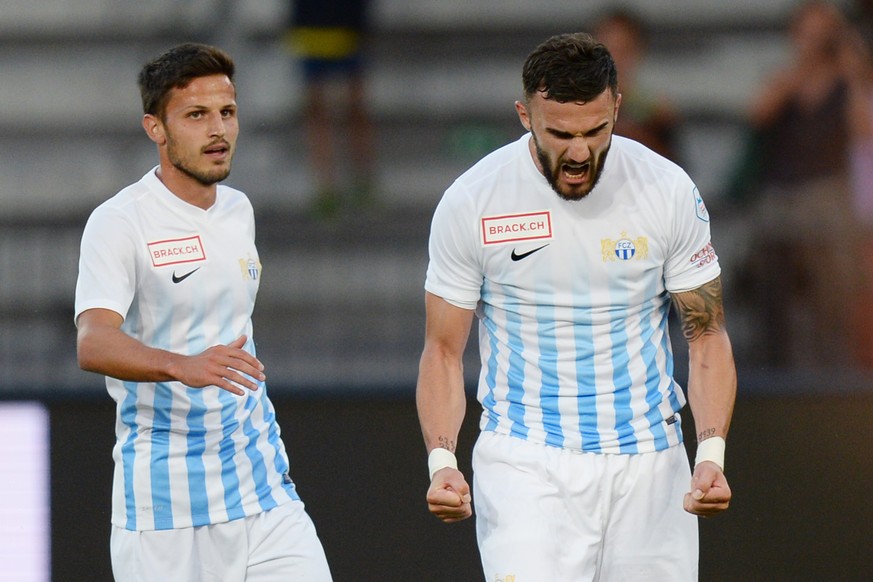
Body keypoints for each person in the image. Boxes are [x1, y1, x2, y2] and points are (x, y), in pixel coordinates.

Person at [416, 32, 736, 580]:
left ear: (617, 106)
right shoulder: (473, 201)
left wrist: (710, 455)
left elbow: (706, 334)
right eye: (560, 134)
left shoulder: (668, 191)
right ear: (525, 115)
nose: (580, 152)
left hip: (651, 467)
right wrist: (442, 461)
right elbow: (444, 351)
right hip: (526, 464)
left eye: (596, 131)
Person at [74, 43, 332, 581]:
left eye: (227, 113)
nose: (218, 130)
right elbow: (93, 342)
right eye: (196, 115)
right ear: (156, 128)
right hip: (165, 506)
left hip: (260, 488)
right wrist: (180, 365)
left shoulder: (239, 209)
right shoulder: (120, 221)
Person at [734, 1, 873, 367]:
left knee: (834, 276)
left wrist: (854, 71)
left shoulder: (846, 84)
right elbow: (757, 115)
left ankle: (834, 365)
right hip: (781, 196)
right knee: (766, 264)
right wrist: (802, 69)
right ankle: (772, 364)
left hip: (826, 195)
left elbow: (863, 132)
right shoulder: (785, 78)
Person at [286, 0, 375, 217]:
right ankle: (327, 188)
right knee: (320, 114)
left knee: (354, 111)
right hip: (312, 30)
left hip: (347, 29)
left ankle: (361, 181)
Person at [593, 8, 680, 162]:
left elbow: (672, 168)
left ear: (637, 51)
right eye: (607, 49)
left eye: (623, 49)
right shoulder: (570, 108)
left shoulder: (656, 114)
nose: (614, 58)